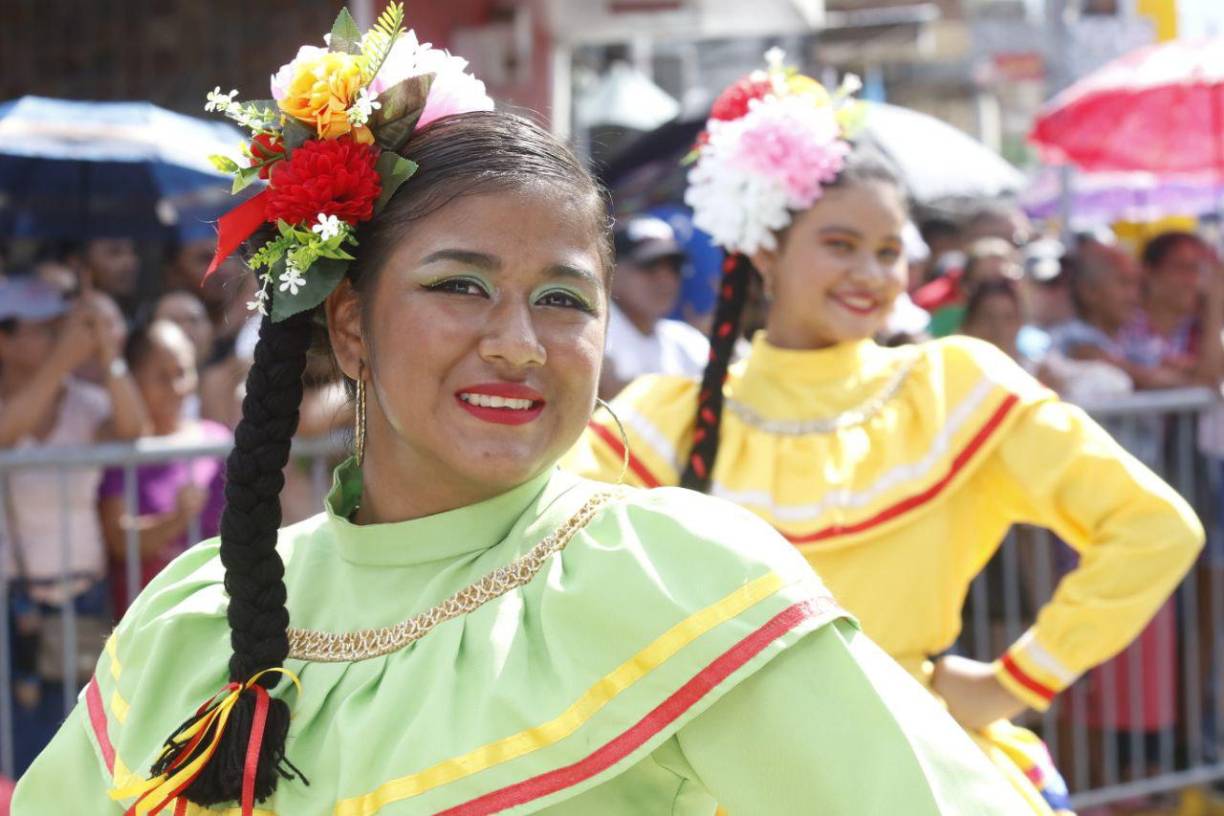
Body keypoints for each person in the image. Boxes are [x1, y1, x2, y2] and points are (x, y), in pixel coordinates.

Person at [13, 14, 1028, 815]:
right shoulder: (193, 617)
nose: (518, 343)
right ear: (351, 326)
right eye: (461, 286)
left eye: (563, 298)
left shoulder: (670, 574)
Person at [568, 58, 1204, 816]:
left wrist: (1014, 680)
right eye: (840, 244)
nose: (871, 273)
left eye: (889, 250)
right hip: (725, 788)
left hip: (921, 773)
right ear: (765, 251)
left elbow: (1154, 527)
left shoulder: (954, 387)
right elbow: (537, 564)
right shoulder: (664, 420)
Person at [0, 276, 148, 773]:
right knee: (20, 745)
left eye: (60, 328)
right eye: (44, 330)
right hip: (14, 601)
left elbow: (132, 429)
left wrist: (108, 356)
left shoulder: (84, 401)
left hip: (84, 596)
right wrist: (64, 359)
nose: (58, 338)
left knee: (84, 739)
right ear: (5, 337)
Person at [97, 320, 229, 617]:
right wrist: (178, 518)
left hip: (215, 613)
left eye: (182, 372)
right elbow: (119, 541)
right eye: (161, 377)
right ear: (134, 379)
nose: (177, 388)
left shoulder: (219, 441)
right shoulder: (120, 450)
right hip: (145, 619)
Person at [600, 215, 710, 399]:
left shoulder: (685, 340)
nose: (665, 280)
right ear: (612, 272)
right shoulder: (592, 335)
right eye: (650, 267)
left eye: (673, 268)